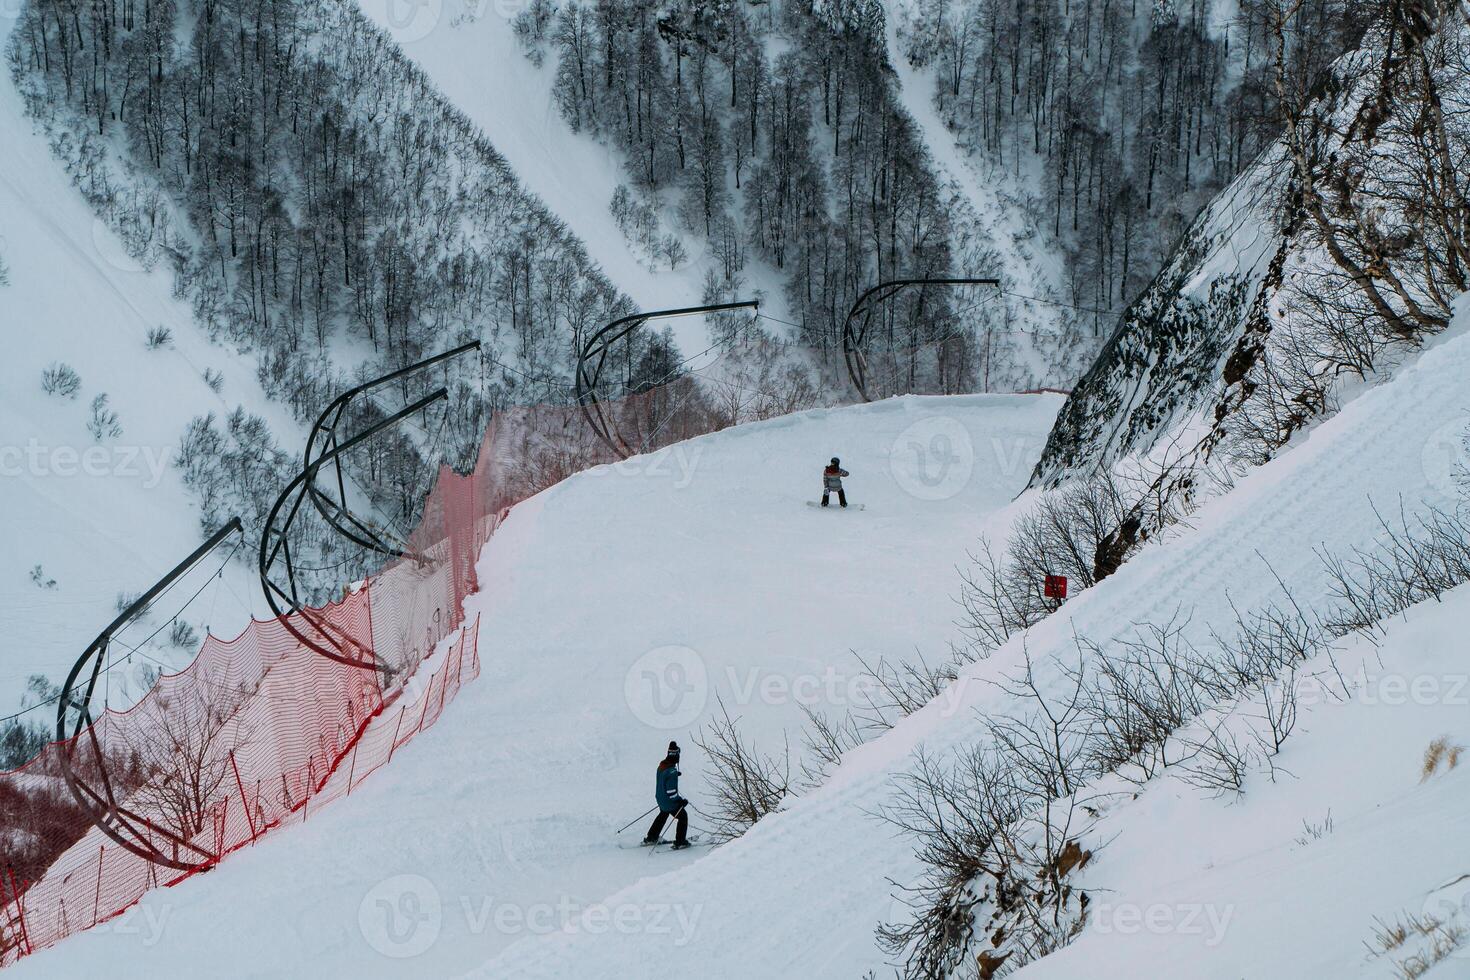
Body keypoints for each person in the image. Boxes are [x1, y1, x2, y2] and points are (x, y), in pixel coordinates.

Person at [643, 741, 691, 849]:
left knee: (663, 814)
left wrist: (673, 775)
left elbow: (663, 779)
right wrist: (680, 801)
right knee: (683, 816)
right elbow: (672, 793)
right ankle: (680, 841)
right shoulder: (672, 772)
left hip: (660, 799)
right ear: (677, 756)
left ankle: (651, 837)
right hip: (669, 802)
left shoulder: (661, 766)